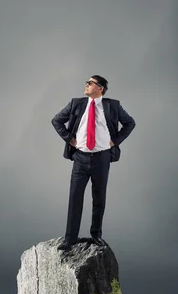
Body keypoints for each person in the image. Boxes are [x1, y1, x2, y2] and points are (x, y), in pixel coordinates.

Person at [51, 75, 136, 250]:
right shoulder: (76, 103)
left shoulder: (113, 106)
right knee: (75, 198)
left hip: (101, 158)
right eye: (87, 82)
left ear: (100, 88)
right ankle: (70, 239)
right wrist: (70, 139)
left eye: (90, 83)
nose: (86, 85)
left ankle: (96, 235)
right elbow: (56, 120)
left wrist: (115, 141)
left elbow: (129, 123)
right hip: (80, 158)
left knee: (99, 198)